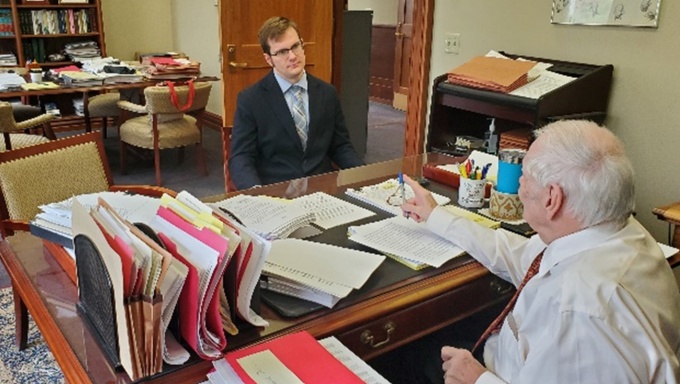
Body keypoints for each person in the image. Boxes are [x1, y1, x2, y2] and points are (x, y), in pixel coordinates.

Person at [400, 120, 680, 383]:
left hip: (500, 373)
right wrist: (436, 216)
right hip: (511, 354)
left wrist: (478, 379)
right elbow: (516, 254)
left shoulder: (581, 311)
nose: (519, 183)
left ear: (552, 198)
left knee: (410, 359)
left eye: (526, 174)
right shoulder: (615, 230)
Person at [229, 16, 364, 190]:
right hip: (275, 194)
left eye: (295, 46)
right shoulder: (251, 100)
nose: (292, 56)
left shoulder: (327, 93)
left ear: (302, 45)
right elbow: (241, 157)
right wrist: (257, 193)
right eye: (282, 52)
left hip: (322, 191)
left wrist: (365, 177)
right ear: (268, 59)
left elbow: (340, 146)